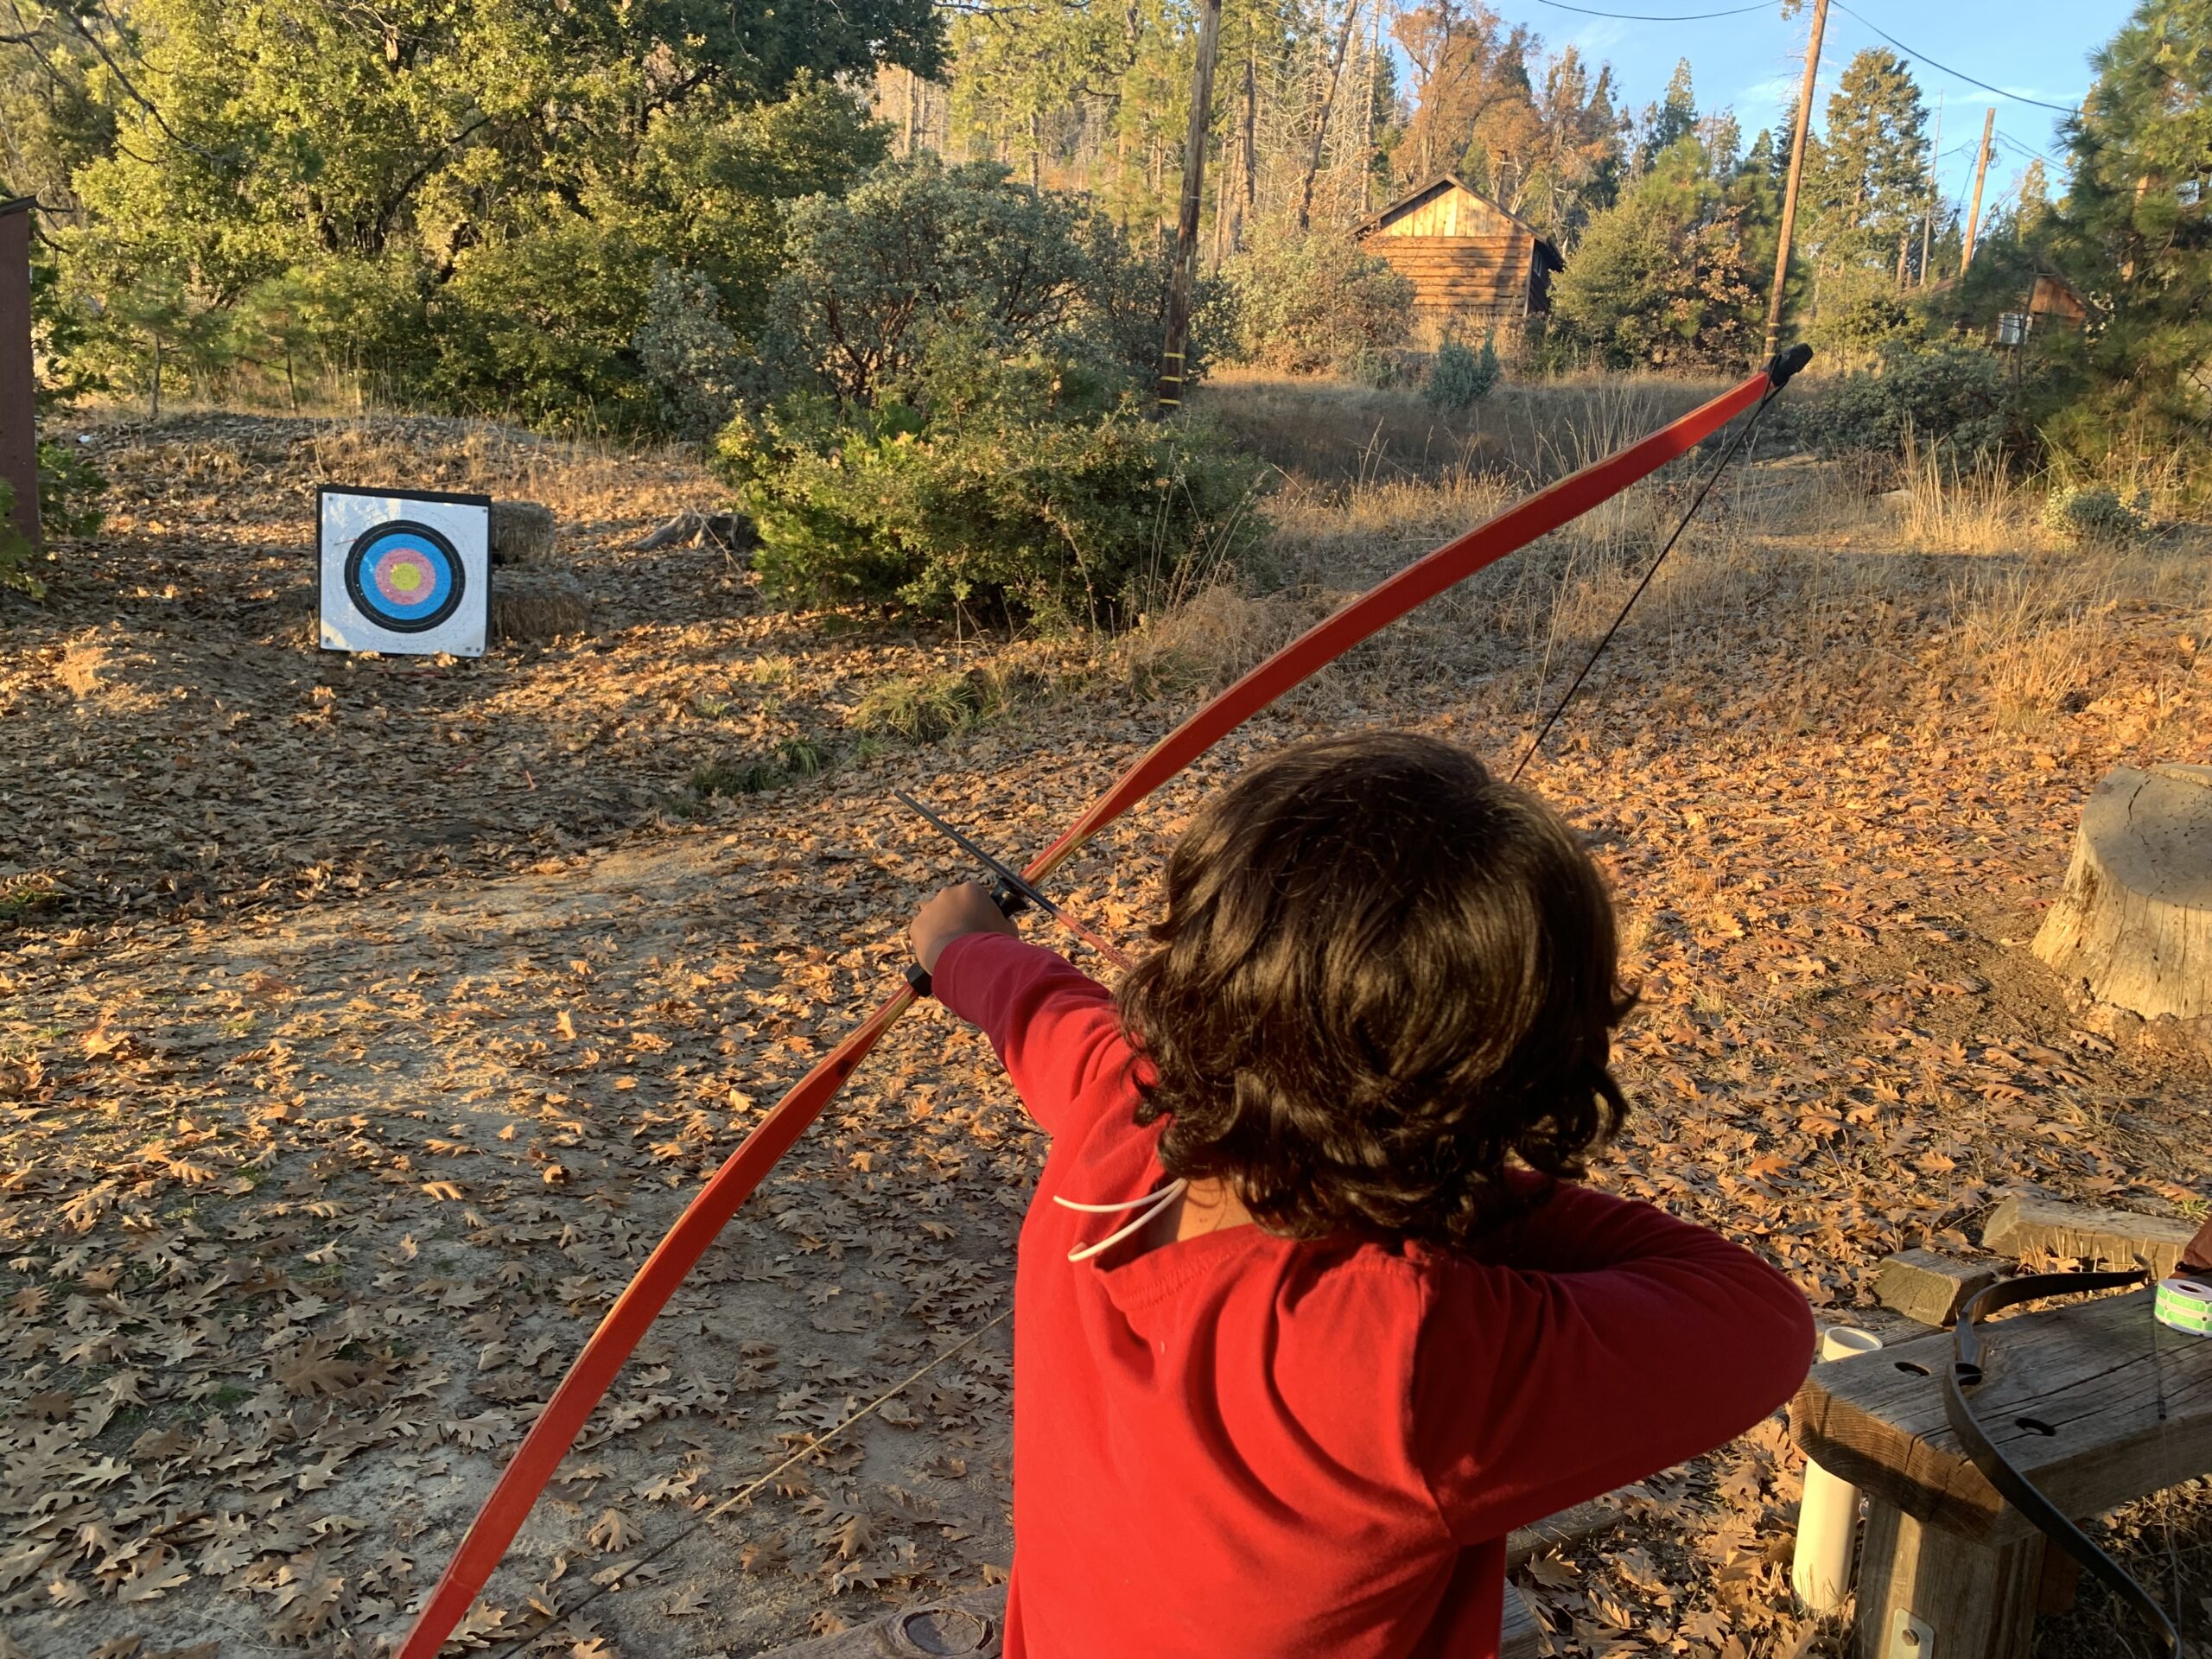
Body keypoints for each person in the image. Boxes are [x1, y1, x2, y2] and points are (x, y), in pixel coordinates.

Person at [908, 732, 1814, 1658]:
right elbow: (1759, 1319)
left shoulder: (1126, 1111)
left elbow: (1045, 1011)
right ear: (1511, 1077)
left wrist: (960, 949)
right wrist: (1435, 1176)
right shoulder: (1408, 1350)